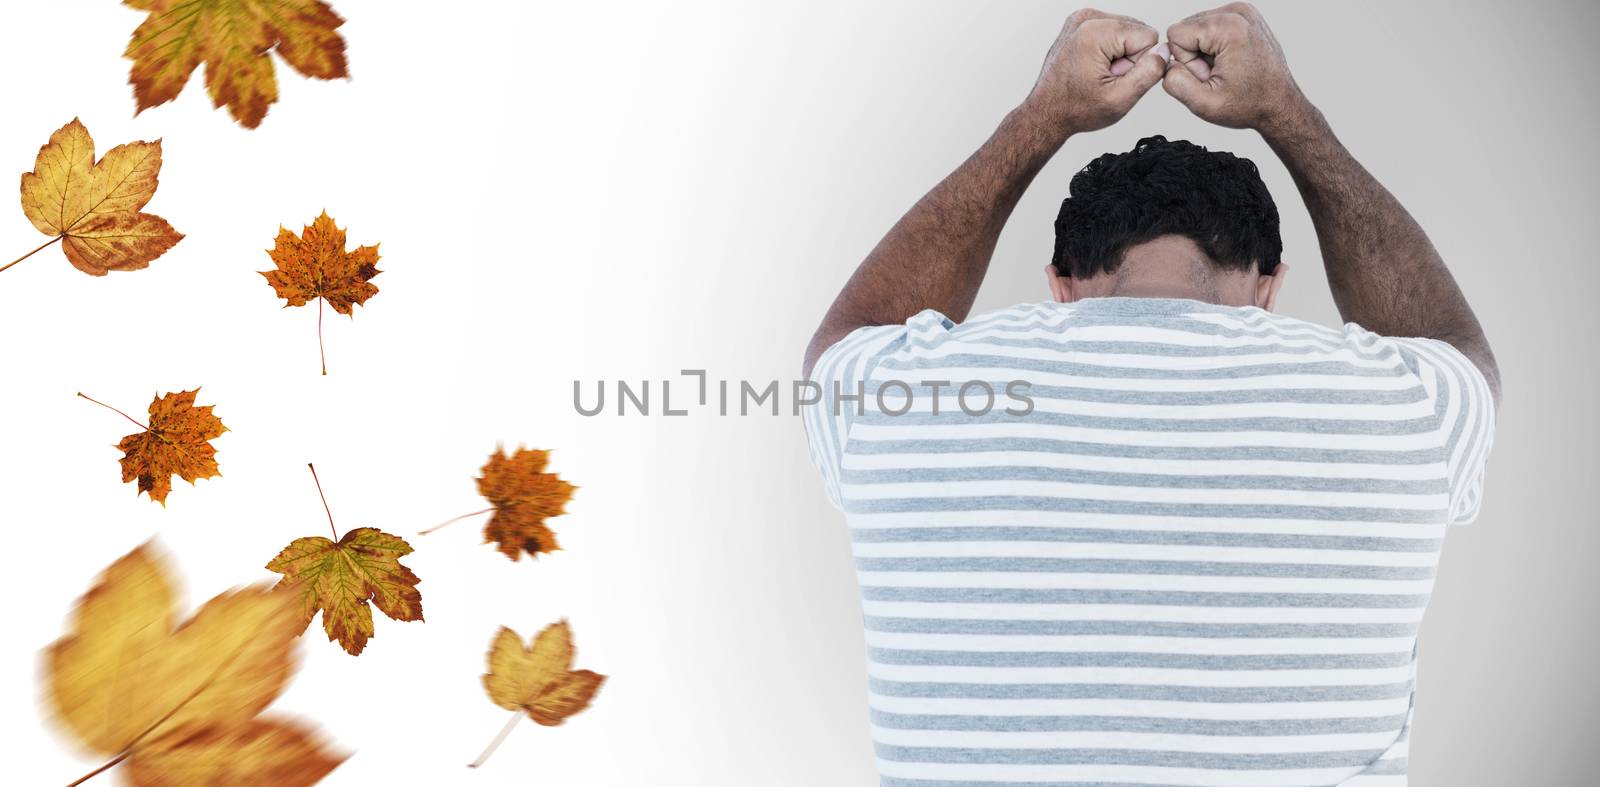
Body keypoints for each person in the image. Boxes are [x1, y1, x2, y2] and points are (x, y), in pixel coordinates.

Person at [800, 4, 1499, 785]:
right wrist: (1288, 115)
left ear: (1060, 286)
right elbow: (1452, 348)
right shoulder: (1402, 408)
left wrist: (1042, 118)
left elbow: (848, 336)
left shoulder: (909, 396)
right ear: (1270, 289)